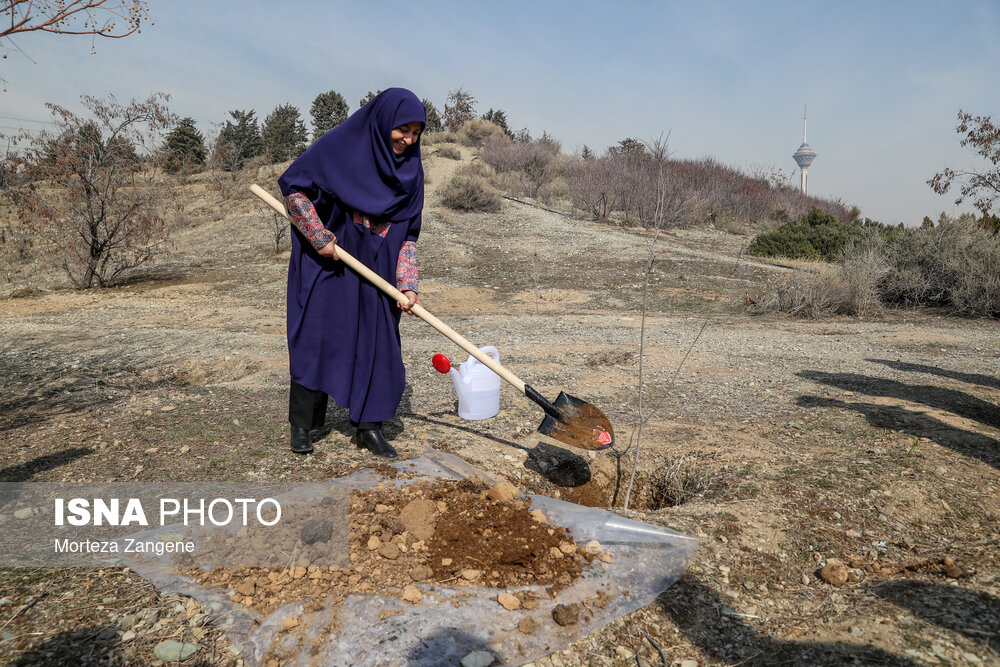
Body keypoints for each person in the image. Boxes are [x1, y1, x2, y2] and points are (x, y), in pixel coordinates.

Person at [277, 88, 426, 458]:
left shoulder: (411, 173)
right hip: (331, 261)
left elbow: (408, 233)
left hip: (380, 269)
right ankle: (304, 424)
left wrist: (407, 284)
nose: (408, 140)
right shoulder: (339, 147)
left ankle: (368, 427)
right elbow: (295, 191)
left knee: (378, 343)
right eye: (402, 129)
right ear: (383, 123)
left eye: (416, 132)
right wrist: (317, 235)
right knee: (318, 336)